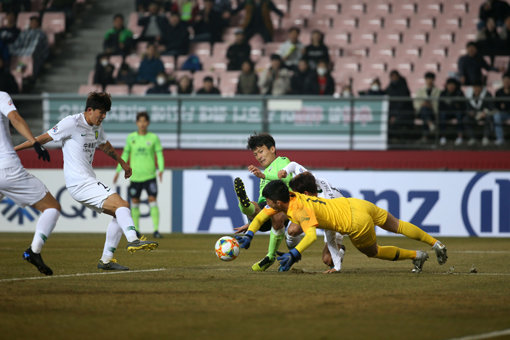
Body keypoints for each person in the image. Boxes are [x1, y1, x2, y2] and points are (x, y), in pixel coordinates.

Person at [15, 92, 159, 271]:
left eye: (106, 112)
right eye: (102, 112)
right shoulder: (72, 123)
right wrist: (12, 150)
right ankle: (133, 240)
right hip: (80, 182)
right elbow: (41, 139)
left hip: (87, 181)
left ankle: (106, 260)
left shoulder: (97, 126)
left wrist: (122, 163)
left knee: (119, 213)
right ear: (90, 110)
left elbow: (104, 145)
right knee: (122, 205)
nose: (104, 116)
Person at [236, 178, 448, 273]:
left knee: (373, 252)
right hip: (356, 204)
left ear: (278, 203)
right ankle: (435, 243)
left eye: (269, 202)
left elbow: (310, 237)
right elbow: (262, 215)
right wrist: (250, 235)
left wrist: (294, 254)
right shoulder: (288, 196)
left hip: (355, 223)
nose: (267, 206)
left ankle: (417, 256)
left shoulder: (300, 210)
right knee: (398, 225)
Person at [0, 91, 60, 276]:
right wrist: (34, 142)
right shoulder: (1, 96)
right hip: (6, 168)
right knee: (52, 208)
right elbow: (15, 118)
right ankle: (34, 251)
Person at [233, 133, 292, 271]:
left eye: (261, 151)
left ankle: (269, 257)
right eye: (255, 154)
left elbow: (287, 179)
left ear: (272, 149)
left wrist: (264, 175)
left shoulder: (282, 161)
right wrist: (251, 223)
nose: (259, 156)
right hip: (266, 210)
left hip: (283, 207)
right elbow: (263, 202)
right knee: (254, 204)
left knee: (275, 216)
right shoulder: (264, 174)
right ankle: (245, 205)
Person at [277, 164, 346, 274]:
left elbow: (328, 235)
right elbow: (294, 165)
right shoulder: (308, 179)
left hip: (337, 217)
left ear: (305, 194)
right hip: (314, 207)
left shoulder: (328, 202)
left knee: (328, 259)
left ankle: (341, 249)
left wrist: (337, 266)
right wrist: (284, 170)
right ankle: (293, 257)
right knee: (292, 230)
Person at [113, 111, 165, 238]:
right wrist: (118, 171)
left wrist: (161, 169)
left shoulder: (153, 138)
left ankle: (156, 230)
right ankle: (136, 230)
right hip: (135, 177)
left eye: (144, 121)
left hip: (150, 176)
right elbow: (125, 155)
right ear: (137, 123)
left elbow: (159, 154)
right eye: (140, 121)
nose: (142, 124)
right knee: (134, 202)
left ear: (148, 123)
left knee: (152, 200)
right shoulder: (131, 138)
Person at [385, 70, 415, 140]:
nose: (393, 78)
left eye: (395, 76)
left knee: (395, 122)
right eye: (392, 77)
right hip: (393, 114)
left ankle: (396, 138)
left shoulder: (403, 88)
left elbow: (403, 104)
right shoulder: (389, 88)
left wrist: (395, 116)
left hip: (404, 113)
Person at [438, 78, 466, 146]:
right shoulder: (443, 93)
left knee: (460, 115)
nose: (451, 86)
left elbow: (463, 106)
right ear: (446, 85)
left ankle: (460, 137)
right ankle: (442, 137)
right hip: (446, 112)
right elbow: (440, 106)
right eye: (449, 85)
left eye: (453, 85)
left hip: (457, 112)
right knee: (442, 115)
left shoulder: (460, 93)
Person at [413, 72, 441, 141]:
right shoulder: (420, 91)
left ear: (433, 80)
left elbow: (439, 103)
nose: (429, 81)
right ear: (425, 80)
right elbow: (416, 103)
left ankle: (425, 136)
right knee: (424, 110)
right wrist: (423, 104)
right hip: (421, 110)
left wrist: (431, 105)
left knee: (425, 114)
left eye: (431, 79)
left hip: (433, 111)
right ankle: (430, 124)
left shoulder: (438, 91)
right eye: (428, 79)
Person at [494, 73, 510, 145]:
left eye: (508, 80)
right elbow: (496, 105)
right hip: (503, 113)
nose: (506, 82)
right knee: (496, 116)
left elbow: (503, 105)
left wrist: (504, 105)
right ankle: (500, 138)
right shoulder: (498, 92)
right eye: (505, 80)